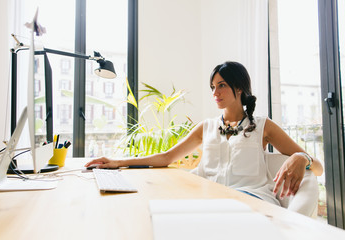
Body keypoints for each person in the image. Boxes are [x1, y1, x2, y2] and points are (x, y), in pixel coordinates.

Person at [85, 61, 323, 205]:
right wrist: (116, 161)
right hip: (210, 200)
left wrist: (301, 157)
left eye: (221, 85)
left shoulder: (263, 126)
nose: (215, 92)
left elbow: (319, 168)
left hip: (251, 200)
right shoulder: (206, 127)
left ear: (239, 87)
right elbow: (166, 157)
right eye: (212, 87)